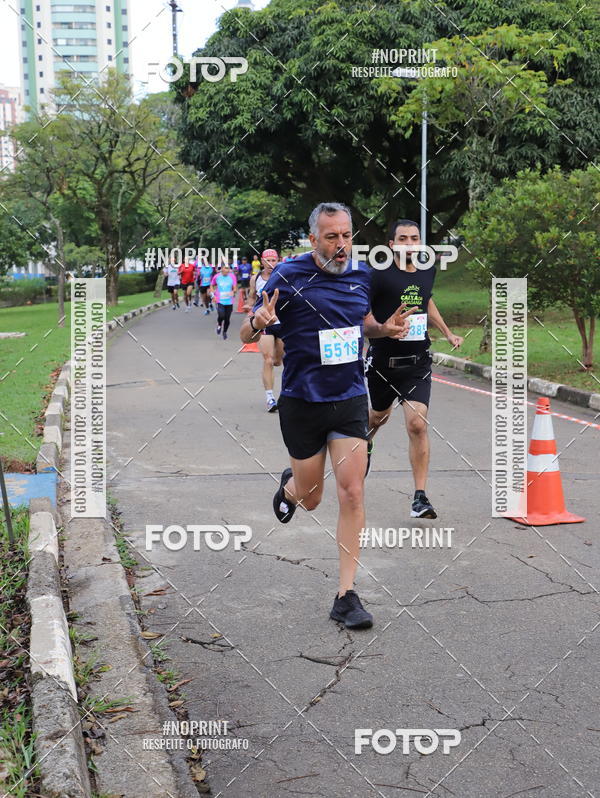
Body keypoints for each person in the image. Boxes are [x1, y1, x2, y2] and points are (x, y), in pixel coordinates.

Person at [240, 202, 415, 629]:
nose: (341, 245)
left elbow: (364, 324)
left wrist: (385, 329)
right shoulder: (289, 275)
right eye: (331, 236)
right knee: (312, 497)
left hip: (350, 397)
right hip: (302, 401)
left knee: (352, 492)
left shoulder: (360, 275)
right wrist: (259, 321)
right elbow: (246, 331)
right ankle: (290, 490)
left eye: (347, 235)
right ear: (313, 238)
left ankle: (346, 594)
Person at [365, 219, 464, 519]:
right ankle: (366, 440)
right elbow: (364, 319)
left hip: (417, 362)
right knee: (377, 417)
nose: (410, 243)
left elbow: (426, 301)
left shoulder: (426, 271)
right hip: (383, 362)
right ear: (392, 245)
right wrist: (384, 329)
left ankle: (420, 497)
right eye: (403, 239)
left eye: (415, 238)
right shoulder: (378, 276)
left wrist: (447, 332)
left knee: (417, 424)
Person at [247, 249, 284, 412]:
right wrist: (250, 309)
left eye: (274, 260)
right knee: (268, 360)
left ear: (278, 261)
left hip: (283, 323)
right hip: (265, 324)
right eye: (268, 260)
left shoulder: (284, 276)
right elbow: (252, 297)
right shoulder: (255, 278)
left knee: (278, 361)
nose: (271, 264)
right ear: (262, 262)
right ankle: (270, 397)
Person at [210, 263, 237, 339]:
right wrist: (213, 296)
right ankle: (219, 325)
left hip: (229, 301)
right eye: (225, 268)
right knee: (221, 315)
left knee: (227, 319)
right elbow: (212, 285)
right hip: (219, 300)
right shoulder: (217, 276)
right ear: (221, 268)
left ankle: (224, 332)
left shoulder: (232, 276)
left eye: (228, 268)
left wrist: (233, 291)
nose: (227, 270)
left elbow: (235, 288)